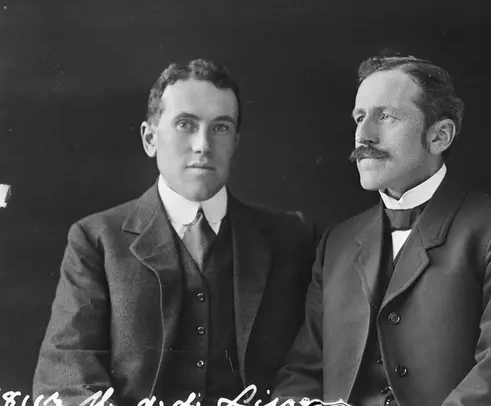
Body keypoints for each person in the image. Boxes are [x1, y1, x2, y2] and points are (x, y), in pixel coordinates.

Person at [272, 54, 491, 406]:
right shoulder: (337, 243)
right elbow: (303, 372)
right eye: (359, 118)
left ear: (439, 136)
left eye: (385, 117)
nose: (363, 135)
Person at [33, 58, 315, 406]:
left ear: (236, 142)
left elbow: (309, 367)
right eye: (185, 125)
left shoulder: (291, 237)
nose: (203, 145)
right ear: (150, 139)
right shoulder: (96, 240)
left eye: (220, 128)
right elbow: (66, 378)